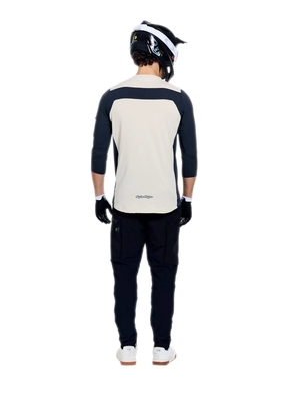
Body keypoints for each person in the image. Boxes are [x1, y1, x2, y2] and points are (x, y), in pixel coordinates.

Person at [91, 20, 198, 366]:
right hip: (166, 205)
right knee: (163, 275)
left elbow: (98, 153)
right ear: (163, 55)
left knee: (124, 276)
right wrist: (188, 199)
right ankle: (161, 348)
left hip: (124, 206)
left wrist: (98, 196)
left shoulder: (112, 96)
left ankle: (127, 348)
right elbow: (190, 157)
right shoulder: (178, 99)